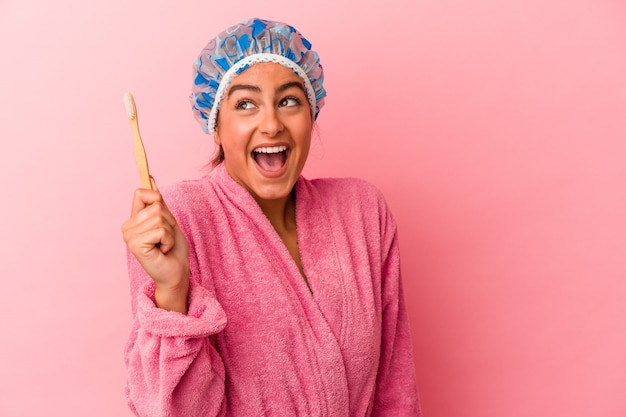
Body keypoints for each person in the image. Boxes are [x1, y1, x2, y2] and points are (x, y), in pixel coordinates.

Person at [122, 17, 420, 416]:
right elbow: (165, 409)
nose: (271, 124)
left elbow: (394, 390)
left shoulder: (362, 212)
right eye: (246, 103)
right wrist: (172, 290)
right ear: (215, 124)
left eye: (289, 100)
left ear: (311, 114)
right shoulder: (177, 222)